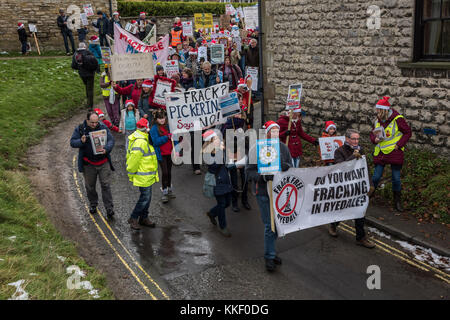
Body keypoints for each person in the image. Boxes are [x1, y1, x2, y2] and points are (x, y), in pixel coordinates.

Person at [246, 121, 293, 272]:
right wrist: (263, 177)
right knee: (269, 226)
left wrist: (287, 168)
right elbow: (248, 172)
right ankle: (269, 256)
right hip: (264, 193)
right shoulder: (256, 149)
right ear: (266, 133)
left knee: (278, 226)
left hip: (280, 193)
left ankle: (272, 251)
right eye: (271, 131)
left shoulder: (283, 148)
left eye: (276, 131)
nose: (274, 134)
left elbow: (291, 167)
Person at [328, 129, 376, 248]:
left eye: (357, 139)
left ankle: (361, 238)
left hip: (357, 186)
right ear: (347, 139)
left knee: (359, 211)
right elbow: (340, 168)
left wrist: (370, 184)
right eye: (353, 139)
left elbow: (365, 168)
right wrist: (352, 157)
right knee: (342, 209)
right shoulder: (339, 151)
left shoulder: (361, 150)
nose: (356, 141)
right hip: (344, 186)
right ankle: (334, 224)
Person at [70, 111, 115, 218]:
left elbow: (111, 140)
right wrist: (81, 141)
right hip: (88, 164)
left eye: (96, 122)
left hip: (103, 162)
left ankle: (109, 209)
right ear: (87, 120)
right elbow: (72, 142)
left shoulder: (103, 127)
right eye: (92, 123)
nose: (95, 125)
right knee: (90, 187)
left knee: (105, 185)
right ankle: (93, 204)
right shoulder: (80, 129)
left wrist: (107, 148)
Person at [370, 96, 411, 212]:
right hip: (381, 152)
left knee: (396, 178)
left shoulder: (398, 119)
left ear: (384, 110)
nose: (377, 112)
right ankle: (369, 196)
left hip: (394, 152)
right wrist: (375, 140)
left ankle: (397, 201)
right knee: (376, 177)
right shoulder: (377, 120)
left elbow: (408, 132)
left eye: (378, 110)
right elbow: (372, 134)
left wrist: (400, 144)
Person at [126, 118, 159, 230]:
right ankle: (133, 218)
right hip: (143, 176)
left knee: (147, 198)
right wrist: (131, 173)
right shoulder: (141, 142)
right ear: (146, 129)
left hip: (147, 175)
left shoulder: (143, 138)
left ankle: (144, 218)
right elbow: (133, 161)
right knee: (145, 198)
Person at [203, 130, 233, 237]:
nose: (218, 140)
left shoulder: (221, 149)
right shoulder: (207, 152)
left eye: (217, 138)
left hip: (225, 179)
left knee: (228, 202)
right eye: (215, 138)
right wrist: (220, 152)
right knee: (221, 204)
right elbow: (214, 166)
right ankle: (223, 226)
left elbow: (227, 162)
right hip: (216, 181)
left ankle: (212, 213)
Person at [221, 111, 251, 212]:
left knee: (245, 179)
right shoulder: (227, 125)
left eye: (240, 115)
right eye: (237, 114)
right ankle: (234, 202)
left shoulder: (244, 125)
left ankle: (245, 200)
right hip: (232, 154)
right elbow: (223, 140)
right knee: (233, 179)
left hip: (242, 154)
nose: (239, 116)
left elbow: (248, 141)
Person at [150, 109, 176, 203]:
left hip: (170, 153)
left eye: (163, 118)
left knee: (169, 172)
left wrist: (177, 147)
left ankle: (169, 189)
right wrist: (166, 137)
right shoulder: (154, 129)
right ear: (156, 119)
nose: (162, 120)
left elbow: (174, 138)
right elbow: (155, 142)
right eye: (160, 118)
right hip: (161, 154)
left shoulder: (169, 126)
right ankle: (164, 192)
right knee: (164, 172)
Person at [71, 42, 98, 109]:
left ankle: (88, 103)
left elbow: (73, 65)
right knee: (90, 89)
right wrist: (93, 70)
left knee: (87, 87)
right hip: (90, 74)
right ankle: (90, 105)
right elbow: (95, 63)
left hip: (82, 74)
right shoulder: (88, 53)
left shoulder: (76, 54)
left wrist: (80, 68)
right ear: (85, 47)